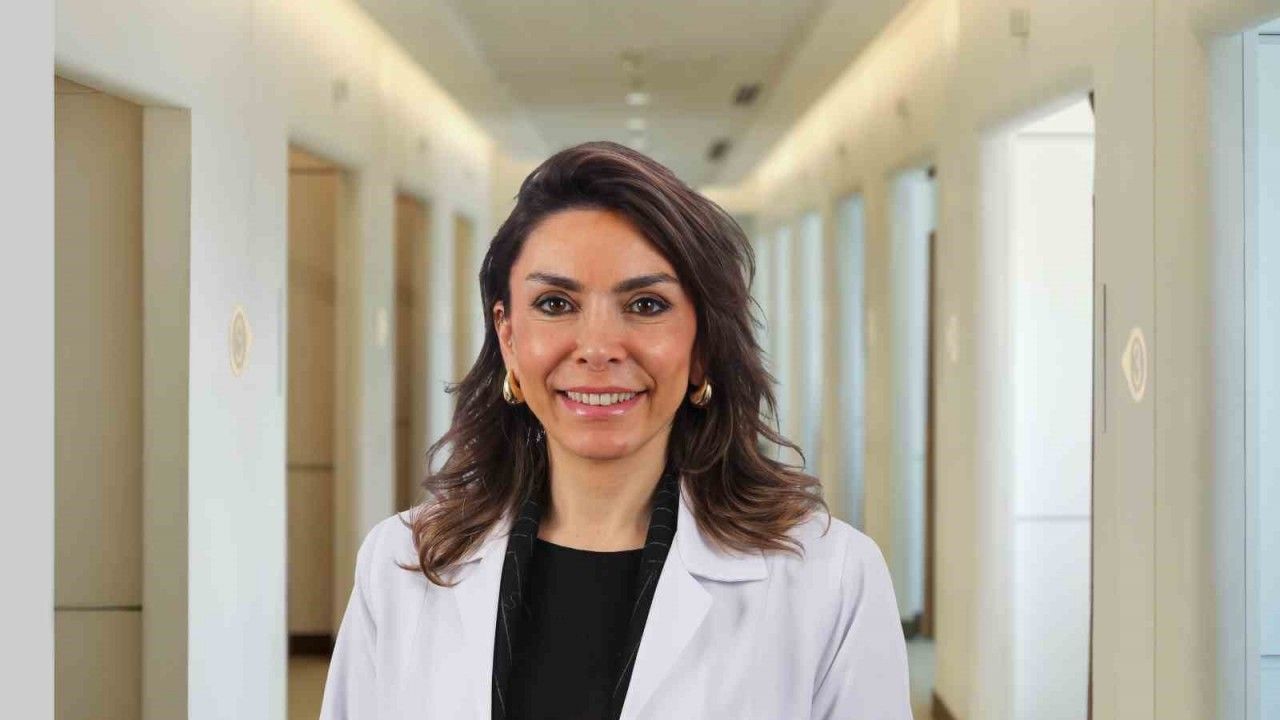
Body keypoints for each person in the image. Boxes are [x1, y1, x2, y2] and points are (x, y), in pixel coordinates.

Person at [319, 141, 910, 719]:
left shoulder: (830, 579)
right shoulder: (400, 565)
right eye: (555, 303)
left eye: (646, 304)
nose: (598, 348)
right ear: (508, 336)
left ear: (702, 345)